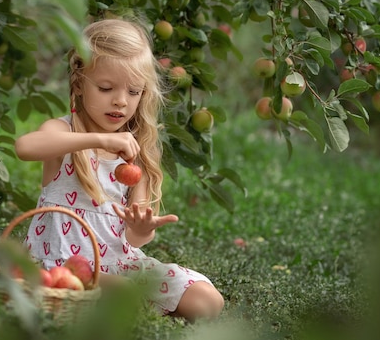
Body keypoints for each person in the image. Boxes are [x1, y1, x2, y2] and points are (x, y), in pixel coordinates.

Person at [14, 18, 224, 322]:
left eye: (134, 91)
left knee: (207, 300)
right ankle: (125, 310)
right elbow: (25, 147)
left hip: (117, 262)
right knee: (123, 296)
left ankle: (130, 309)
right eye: (105, 88)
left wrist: (140, 230)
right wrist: (100, 139)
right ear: (79, 83)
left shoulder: (135, 153)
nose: (120, 101)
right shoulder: (64, 133)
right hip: (63, 264)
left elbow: (132, 240)